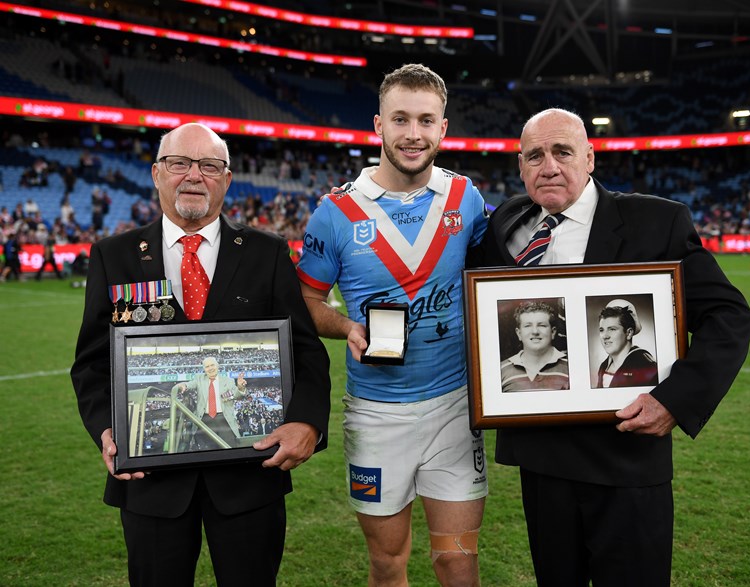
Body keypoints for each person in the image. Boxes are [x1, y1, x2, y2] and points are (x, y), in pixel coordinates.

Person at [468, 108, 750, 586]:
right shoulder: (506, 228)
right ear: (520, 167)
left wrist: (673, 400)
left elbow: (729, 316)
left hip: (627, 456)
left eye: (562, 152)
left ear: (590, 157)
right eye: (534, 156)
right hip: (543, 462)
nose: (549, 166)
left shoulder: (656, 222)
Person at [70, 122, 331, 587]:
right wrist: (108, 429)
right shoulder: (115, 255)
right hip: (151, 480)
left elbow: (307, 352)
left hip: (250, 477)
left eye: (210, 165)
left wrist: (308, 421)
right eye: (179, 163)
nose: (194, 175)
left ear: (227, 179)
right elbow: (91, 363)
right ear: (156, 173)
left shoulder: (266, 254)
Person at [296, 63, 489, 586]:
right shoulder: (334, 213)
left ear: (443, 129)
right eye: (400, 119)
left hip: (455, 407)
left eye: (426, 120)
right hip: (377, 416)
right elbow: (307, 300)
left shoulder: (466, 200)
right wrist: (346, 327)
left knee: (457, 560)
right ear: (377, 125)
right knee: (388, 563)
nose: (413, 134)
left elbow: (494, 278)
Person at [172, 357, 248, 449]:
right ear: (204, 369)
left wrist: (240, 388)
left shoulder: (228, 381)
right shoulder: (199, 379)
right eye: (207, 366)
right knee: (207, 451)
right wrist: (184, 385)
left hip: (224, 420)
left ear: (217, 366)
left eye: (212, 365)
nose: (210, 368)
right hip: (205, 420)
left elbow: (237, 395)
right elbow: (191, 384)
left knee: (229, 449)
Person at [500, 300, 569, 392]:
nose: (535, 332)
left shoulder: (570, 368)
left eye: (542, 325)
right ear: (519, 333)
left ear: (553, 332)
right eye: (528, 326)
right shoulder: (501, 371)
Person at [596, 299, 658, 388]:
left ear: (629, 333)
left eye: (612, 329)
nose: (605, 336)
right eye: (601, 330)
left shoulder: (645, 366)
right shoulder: (604, 366)